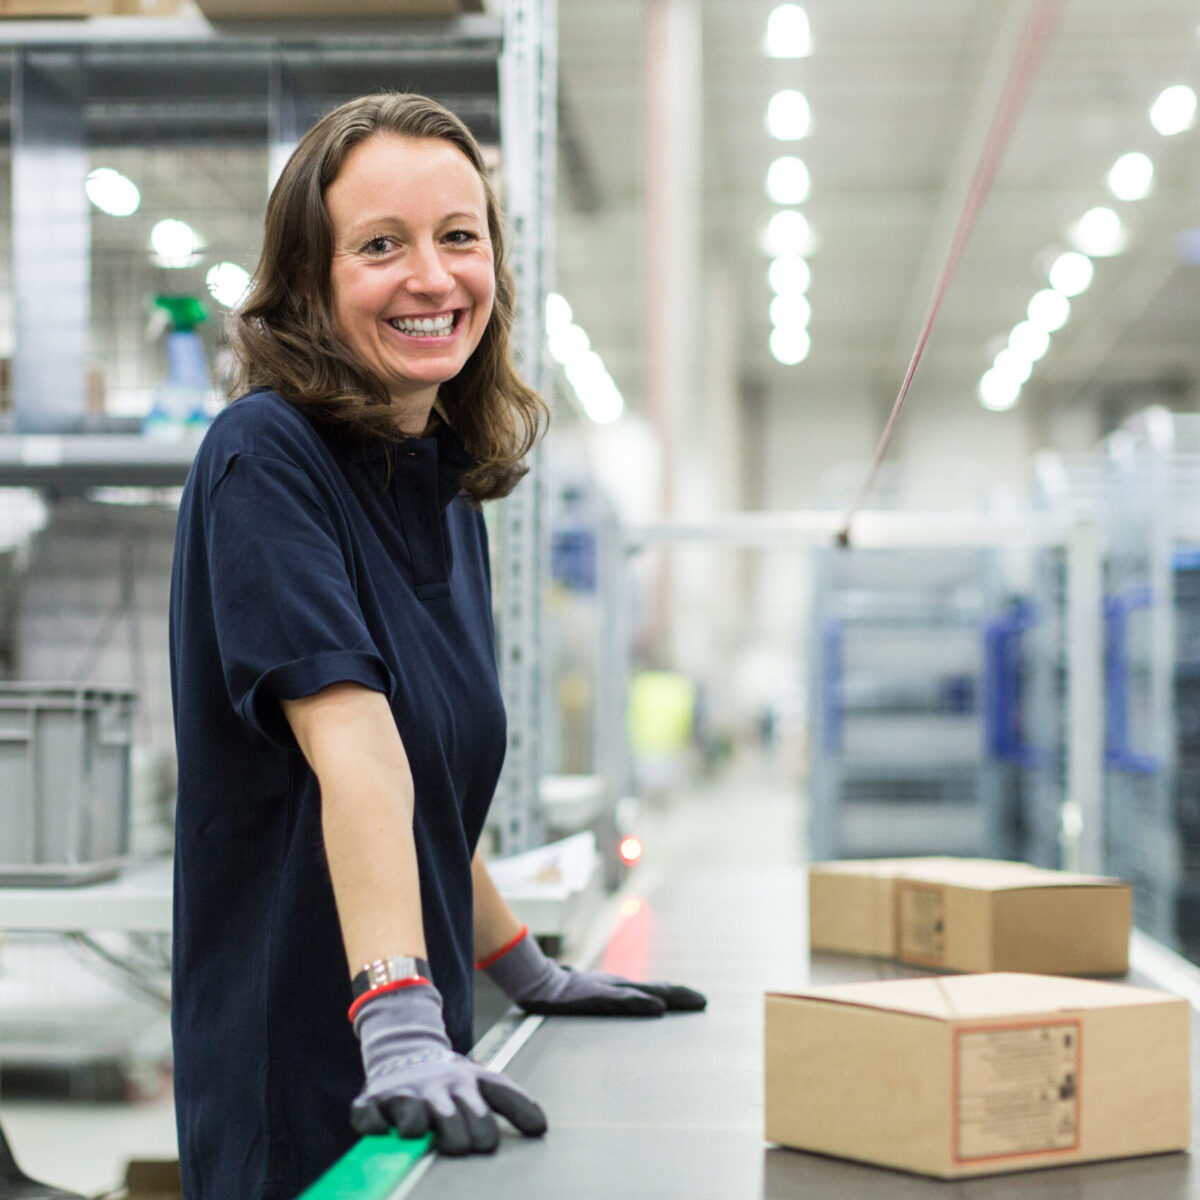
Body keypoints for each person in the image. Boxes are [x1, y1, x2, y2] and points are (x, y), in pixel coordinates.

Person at [168, 92, 706, 1200]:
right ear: (309, 280)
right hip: (315, 1073)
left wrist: (519, 965)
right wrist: (402, 1015)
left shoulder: (442, 484)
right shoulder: (263, 459)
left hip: (421, 1061)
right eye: (380, 245)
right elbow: (357, 751)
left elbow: (424, 792)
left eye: (460, 237)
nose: (432, 276)